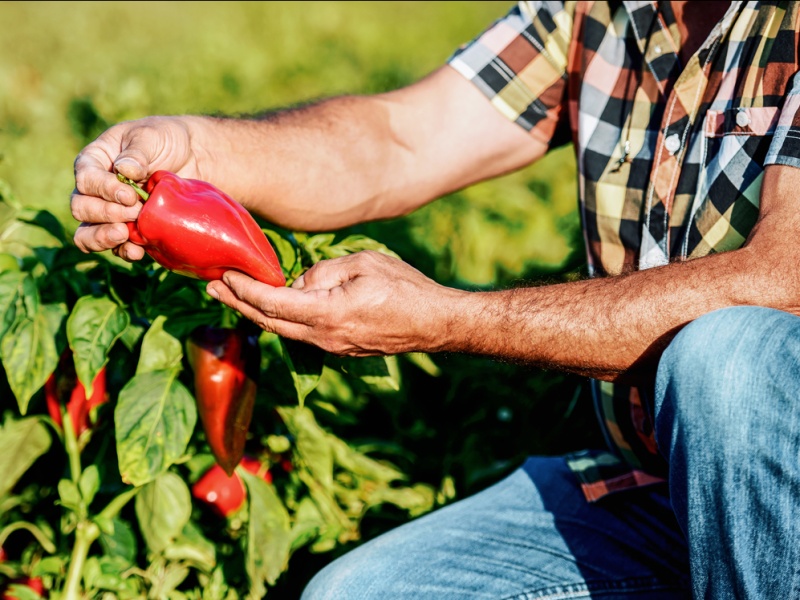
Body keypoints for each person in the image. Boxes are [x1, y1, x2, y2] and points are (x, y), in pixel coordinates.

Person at [71, 1, 800, 598]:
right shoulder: (605, 11)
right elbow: (402, 140)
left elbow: (782, 280)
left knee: (728, 356)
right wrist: (199, 152)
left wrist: (449, 318)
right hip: (654, 493)